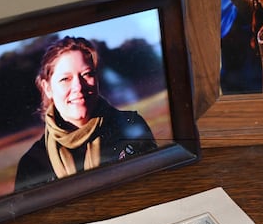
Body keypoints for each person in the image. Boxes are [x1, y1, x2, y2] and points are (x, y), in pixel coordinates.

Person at [15, 36, 157, 192]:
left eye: (86, 74)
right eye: (65, 79)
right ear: (47, 88)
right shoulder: (32, 165)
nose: (78, 87)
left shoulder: (131, 126)